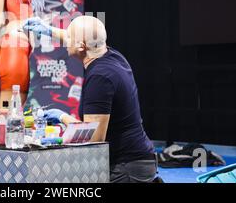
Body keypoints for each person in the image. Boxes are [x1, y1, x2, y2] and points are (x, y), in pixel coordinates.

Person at [23, 15, 157, 183]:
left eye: (70, 37)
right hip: (136, 160)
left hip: (126, 169)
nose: (66, 39)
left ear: (81, 46)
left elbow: (94, 139)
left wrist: (61, 116)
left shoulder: (100, 78)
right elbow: (78, 38)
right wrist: (48, 30)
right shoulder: (112, 55)